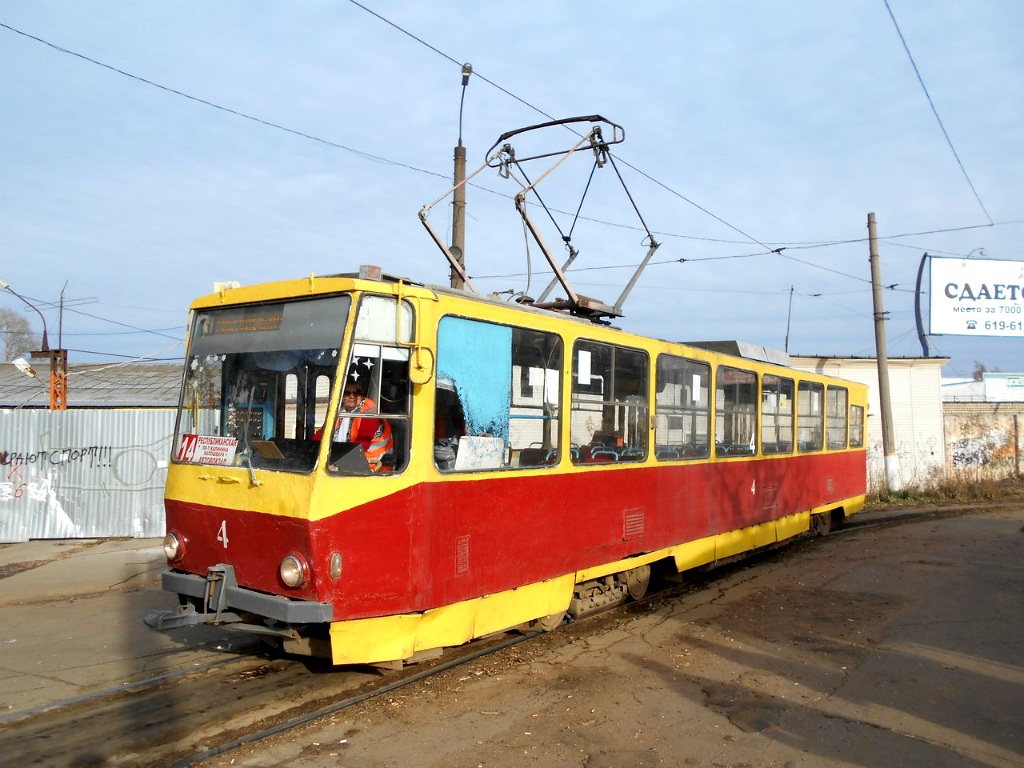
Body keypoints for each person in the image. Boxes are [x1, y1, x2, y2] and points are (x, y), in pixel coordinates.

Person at [314, 380, 393, 470]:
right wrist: (311, 449)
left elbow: (362, 445)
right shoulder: (338, 411)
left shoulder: (371, 412)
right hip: (345, 462)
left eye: (357, 393)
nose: (352, 397)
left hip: (372, 467)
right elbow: (322, 434)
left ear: (362, 394)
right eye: (347, 393)